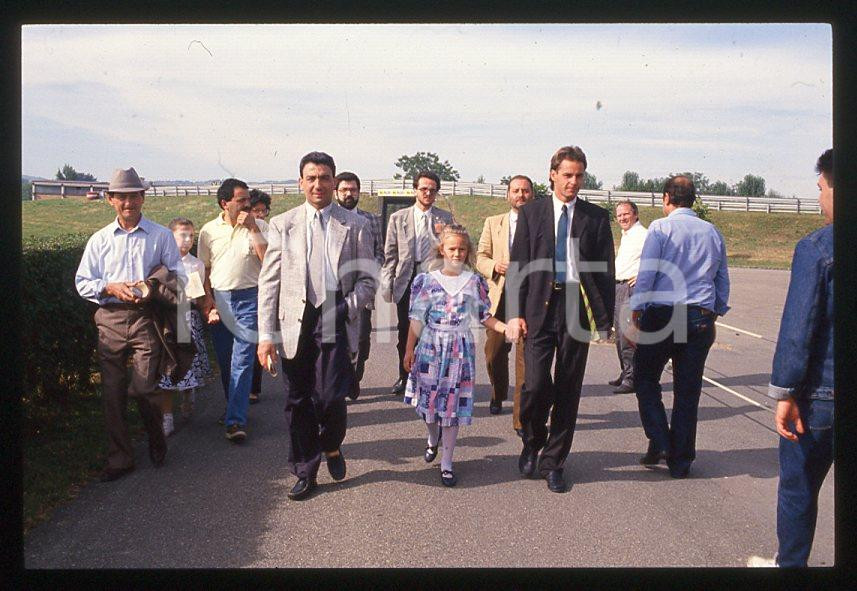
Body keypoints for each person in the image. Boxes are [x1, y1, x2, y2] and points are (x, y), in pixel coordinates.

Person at [257, 151, 376, 501]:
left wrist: (346, 307)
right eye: (311, 178)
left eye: (324, 178)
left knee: (330, 396)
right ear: (300, 182)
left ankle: (332, 444)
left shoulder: (355, 225)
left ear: (334, 182)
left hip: (334, 315)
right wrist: (265, 337)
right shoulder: (283, 224)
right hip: (295, 320)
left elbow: (368, 280)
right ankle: (305, 471)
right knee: (298, 399)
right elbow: (269, 282)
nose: (317, 184)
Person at [505, 146, 616, 493]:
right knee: (535, 384)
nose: (573, 182)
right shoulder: (532, 213)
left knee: (569, 387)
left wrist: (605, 321)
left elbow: (605, 272)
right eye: (567, 175)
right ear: (552, 174)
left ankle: (554, 462)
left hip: (575, 307)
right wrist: (514, 313)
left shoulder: (595, 217)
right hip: (538, 305)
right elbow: (518, 265)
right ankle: (532, 441)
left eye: (579, 176)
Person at [747, 149, 834, 568]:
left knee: (799, 487)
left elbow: (799, 328)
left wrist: (785, 392)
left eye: (821, 188)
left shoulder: (817, 248)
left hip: (821, 395)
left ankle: (791, 566)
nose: (819, 198)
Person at [75, 167, 180, 481]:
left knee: (145, 388)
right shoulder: (100, 240)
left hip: (146, 318)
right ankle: (121, 459)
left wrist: (152, 285)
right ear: (110, 200)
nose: (128, 202)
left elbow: (178, 275)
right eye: (121, 197)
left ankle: (156, 437)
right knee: (113, 392)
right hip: (109, 319)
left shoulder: (160, 235)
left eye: (134, 196)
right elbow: (82, 281)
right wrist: (109, 287)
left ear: (143, 197)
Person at [629, 175, 730, 479]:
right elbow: (721, 277)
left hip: (664, 313)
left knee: (645, 378)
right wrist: (716, 309)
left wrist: (636, 308)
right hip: (699, 315)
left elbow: (647, 273)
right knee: (688, 390)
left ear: (666, 198)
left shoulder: (661, 228)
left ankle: (662, 440)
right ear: (693, 199)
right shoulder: (712, 232)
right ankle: (681, 460)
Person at [403, 224, 507, 487]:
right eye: (452, 248)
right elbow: (416, 319)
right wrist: (408, 350)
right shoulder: (427, 281)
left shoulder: (473, 282)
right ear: (442, 250)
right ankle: (432, 438)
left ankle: (447, 463)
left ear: (468, 251)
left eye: (462, 249)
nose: (457, 253)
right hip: (430, 349)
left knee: (451, 409)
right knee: (428, 407)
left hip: (460, 351)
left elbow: (484, 316)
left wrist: (505, 328)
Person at [198, 178, 268, 442]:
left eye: (248, 199)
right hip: (220, 301)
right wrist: (207, 300)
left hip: (250, 299)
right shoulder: (208, 231)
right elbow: (204, 268)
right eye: (241, 200)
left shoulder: (260, 226)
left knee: (243, 360)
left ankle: (235, 421)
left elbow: (268, 260)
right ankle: (234, 409)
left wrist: (253, 228)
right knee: (227, 361)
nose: (247, 204)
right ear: (224, 203)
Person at [382, 171, 454, 395]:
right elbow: (390, 254)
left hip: (433, 278)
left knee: (432, 330)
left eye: (432, 190)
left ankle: (429, 377)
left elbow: (452, 251)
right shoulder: (398, 218)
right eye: (423, 189)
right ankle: (405, 376)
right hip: (406, 277)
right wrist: (388, 283)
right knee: (406, 330)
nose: (428, 193)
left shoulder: (444, 218)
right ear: (415, 190)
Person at [476, 175, 533, 432]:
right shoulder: (493, 222)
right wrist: (494, 266)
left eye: (525, 191)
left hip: (528, 298)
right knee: (494, 353)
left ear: (532, 195)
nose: (521, 195)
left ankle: (520, 418)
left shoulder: (540, 222)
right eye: (516, 190)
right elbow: (480, 256)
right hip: (500, 296)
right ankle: (498, 393)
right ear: (508, 194)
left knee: (524, 359)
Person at [156, 218, 212, 435]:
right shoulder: (162, 262)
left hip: (189, 318)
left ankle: (188, 395)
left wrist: (204, 305)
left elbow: (199, 296)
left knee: (189, 362)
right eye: (182, 235)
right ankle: (167, 416)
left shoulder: (196, 264)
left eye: (191, 236)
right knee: (169, 367)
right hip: (169, 320)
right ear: (171, 237)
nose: (187, 240)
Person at [334, 171, 384, 400]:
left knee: (362, 340)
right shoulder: (330, 219)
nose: (348, 193)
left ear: (359, 192)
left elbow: (380, 252)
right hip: (334, 292)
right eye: (344, 189)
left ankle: (355, 377)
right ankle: (339, 383)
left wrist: (370, 273)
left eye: (353, 189)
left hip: (362, 292)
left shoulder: (371, 220)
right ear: (336, 192)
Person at [610, 200, 648, 394]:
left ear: (635, 214)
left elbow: (659, 258)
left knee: (628, 335)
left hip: (631, 289)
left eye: (626, 214)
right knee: (619, 335)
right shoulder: (627, 235)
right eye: (619, 215)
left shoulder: (643, 234)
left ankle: (632, 378)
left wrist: (642, 274)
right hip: (619, 287)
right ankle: (626, 371)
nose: (622, 218)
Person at [247, 188, 272, 405]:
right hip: (236, 290)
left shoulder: (265, 228)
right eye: (256, 210)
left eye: (264, 211)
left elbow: (269, 259)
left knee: (256, 338)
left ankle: (253, 387)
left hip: (260, 289)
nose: (260, 214)